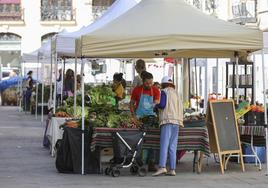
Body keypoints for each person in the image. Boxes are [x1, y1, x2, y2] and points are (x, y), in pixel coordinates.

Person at [152, 76, 183, 176]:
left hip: (167, 120)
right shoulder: (177, 94)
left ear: (163, 84)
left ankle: (162, 167)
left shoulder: (164, 92)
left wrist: (155, 106)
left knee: (164, 144)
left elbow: (162, 105)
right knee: (173, 146)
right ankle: (172, 169)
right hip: (177, 122)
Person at [130, 71, 160, 171]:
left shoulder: (155, 90)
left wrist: (155, 103)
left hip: (151, 117)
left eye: (151, 83)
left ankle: (151, 162)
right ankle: (138, 161)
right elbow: (131, 103)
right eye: (147, 83)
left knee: (153, 140)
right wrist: (134, 116)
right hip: (139, 119)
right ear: (143, 82)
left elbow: (157, 101)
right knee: (139, 141)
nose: (149, 85)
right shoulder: (137, 90)